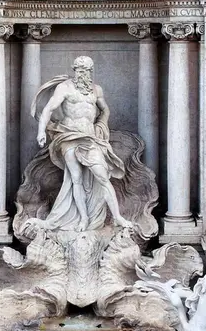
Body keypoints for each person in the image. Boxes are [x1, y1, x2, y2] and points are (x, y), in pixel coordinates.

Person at [33, 56, 132, 232]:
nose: (82, 73)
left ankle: (117, 217)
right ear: (74, 70)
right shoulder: (64, 88)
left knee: (102, 176)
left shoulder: (96, 90)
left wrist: (102, 124)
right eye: (79, 69)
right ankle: (83, 219)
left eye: (85, 70)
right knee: (75, 179)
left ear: (91, 71)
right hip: (69, 136)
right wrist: (41, 131)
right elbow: (48, 109)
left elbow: (105, 109)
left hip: (89, 137)